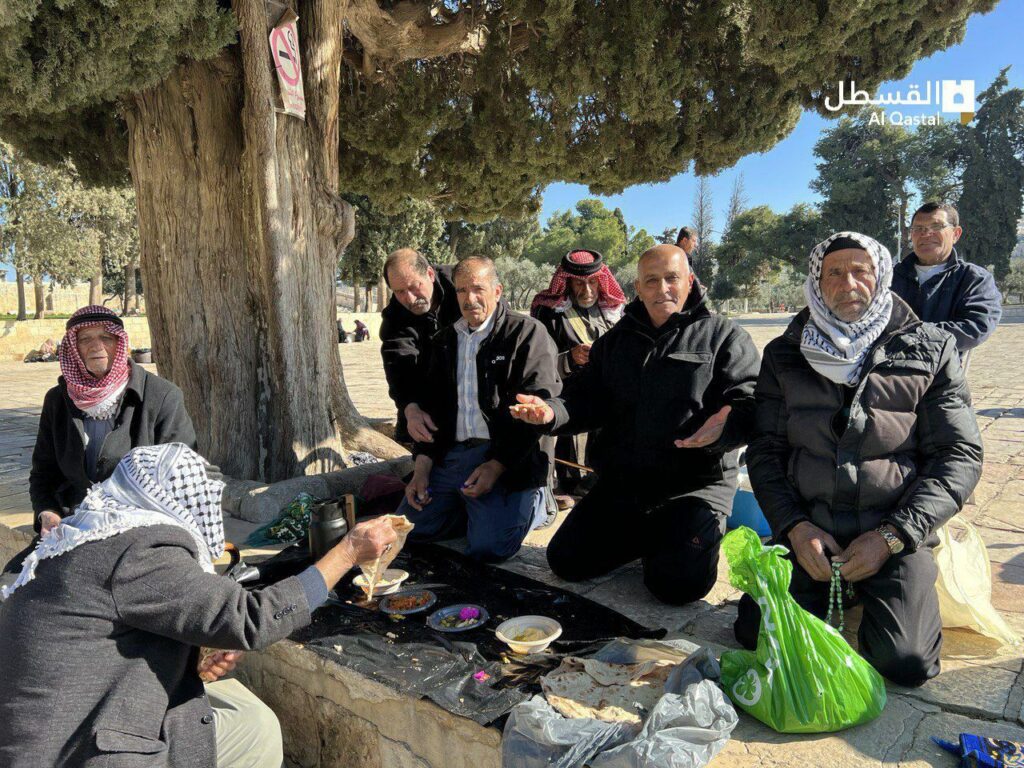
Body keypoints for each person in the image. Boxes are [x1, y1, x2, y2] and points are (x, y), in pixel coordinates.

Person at [0, 443, 398, 768]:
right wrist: (348, 551)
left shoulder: (89, 534)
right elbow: (252, 620)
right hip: (72, 749)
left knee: (234, 701)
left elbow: (102, 641)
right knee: (254, 729)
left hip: (46, 728)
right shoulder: (139, 550)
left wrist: (188, 663)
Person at [735, 231, 983, 687]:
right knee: (754, 634)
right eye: (834, 273)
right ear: (816, 283)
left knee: (906, 662)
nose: (848, 283)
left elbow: (959, 454)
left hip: (894, 531)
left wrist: (893, 536)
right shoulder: (785, 354)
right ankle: (841, 588)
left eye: (860, 270)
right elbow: (766, 449)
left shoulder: (929, 348)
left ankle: (880, 591)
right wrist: (795, 527)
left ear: (881, 275)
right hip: (812, 531)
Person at [511, 244, 760, 604]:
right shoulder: (615, 342)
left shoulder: (725, 336)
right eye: (652, 281)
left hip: (694, 487)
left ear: (690, 281)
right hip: (626, 483)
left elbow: (752, 403)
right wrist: (550, 413)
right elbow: (584, 399)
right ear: (638, 288)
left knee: (677, 587)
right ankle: (650, 537)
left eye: (672, 278)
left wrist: (728, 424)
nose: (663, 289)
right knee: (566, 561)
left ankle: (677, 541)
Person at [397, 256, 560, 562]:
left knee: (489, 547)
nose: (469, 299)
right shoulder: (445, 341)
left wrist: (497, 465)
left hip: (508, 457)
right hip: (454, 455)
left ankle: (539, 502)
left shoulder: (526, 334)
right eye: (461, 290)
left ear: (497, 291)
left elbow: (536, 415)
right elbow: (433, 410)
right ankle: (469, 508)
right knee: (406, 531)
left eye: (477, 289)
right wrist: (421, 469)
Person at [30, 304, 196, 536]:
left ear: (120, 343)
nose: (96, 346)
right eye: (85, 339)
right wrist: (47, 512)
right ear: (73, 348)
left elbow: (181, 475)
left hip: (141, 523)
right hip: (74, 522)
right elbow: (43, 473)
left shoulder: (163, 396)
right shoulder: (57, 399)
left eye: (106, 338)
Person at [530, 249, 626, 498]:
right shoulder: (549, 313)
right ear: (568, 283)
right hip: (568, 393)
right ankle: (568, 485)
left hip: (608, 391)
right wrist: (570, 358)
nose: (588, 290)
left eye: (593, 282)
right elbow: (538, 363)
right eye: (580, 283)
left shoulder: (613, 311)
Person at [891, 201, 1002, 361]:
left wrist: (910, 335)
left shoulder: (973, 279)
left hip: (939, 369)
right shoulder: (889, 277)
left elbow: (975, 328)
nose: (925, 234)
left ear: (956, 234)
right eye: (918, 228)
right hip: (883, 366)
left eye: (936, 226)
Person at [379, 248, 462, 443]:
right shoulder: (395, 316)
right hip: (427, 390)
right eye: (400, 292)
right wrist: (410, 407)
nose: (409, 298)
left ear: (430, 274)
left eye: (414, 287)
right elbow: (398, 364)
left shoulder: (462, 284)